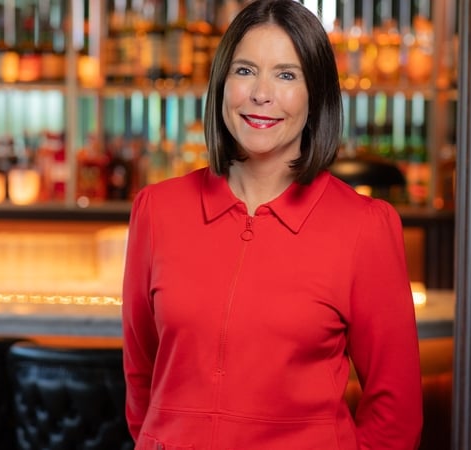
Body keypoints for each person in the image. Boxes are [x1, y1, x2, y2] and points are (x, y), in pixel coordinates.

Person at [120, 0, 423, 449]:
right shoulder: (156, 210)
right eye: (245, 71)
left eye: (286, 75)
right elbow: (141, 379)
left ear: (315, 95)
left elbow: (395, 415)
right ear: (221, 84)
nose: (261, 94)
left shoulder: (365, 227)